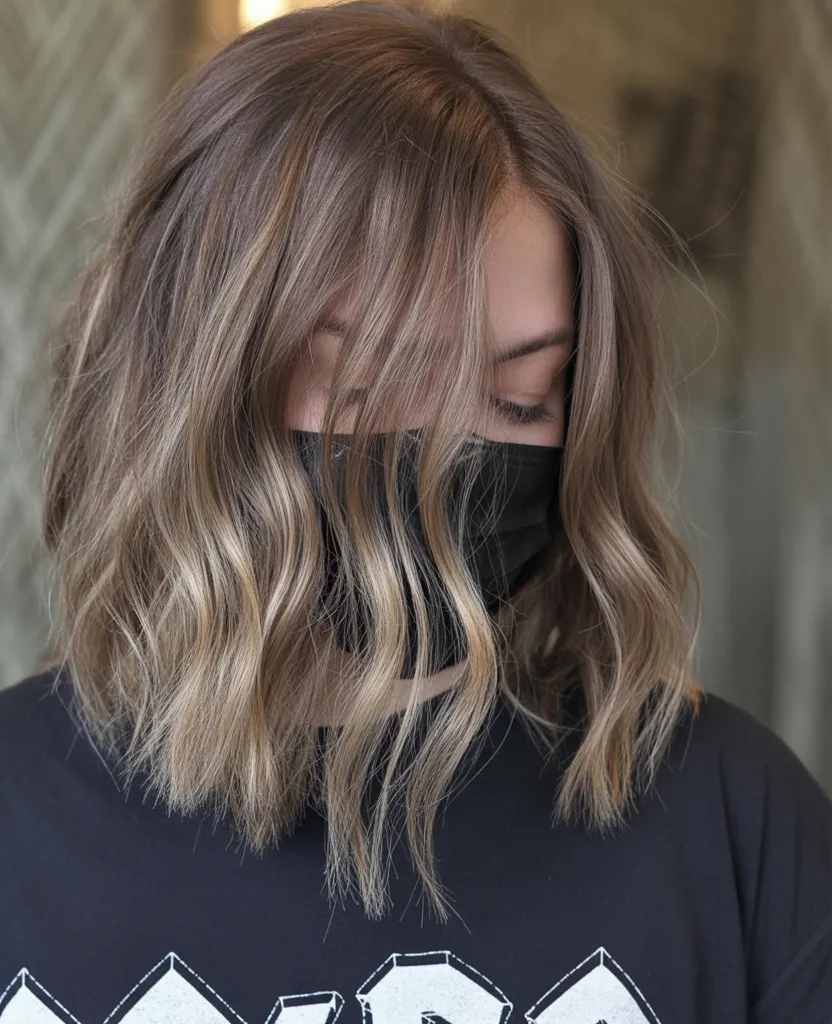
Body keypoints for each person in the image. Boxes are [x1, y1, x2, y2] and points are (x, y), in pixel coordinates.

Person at [1, 1, 830, 1021]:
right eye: (380, 382)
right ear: (196, 378)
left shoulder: (731, 826)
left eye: (522, 398)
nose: (457, 459)